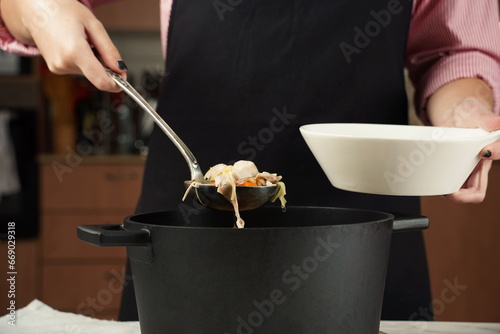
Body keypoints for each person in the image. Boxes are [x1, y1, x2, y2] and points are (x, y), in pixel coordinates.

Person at [1, 0, 499, 322]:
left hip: (361, 233)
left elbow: (454, 51)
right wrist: (38, 10)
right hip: (190, 221)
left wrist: (468, 113)